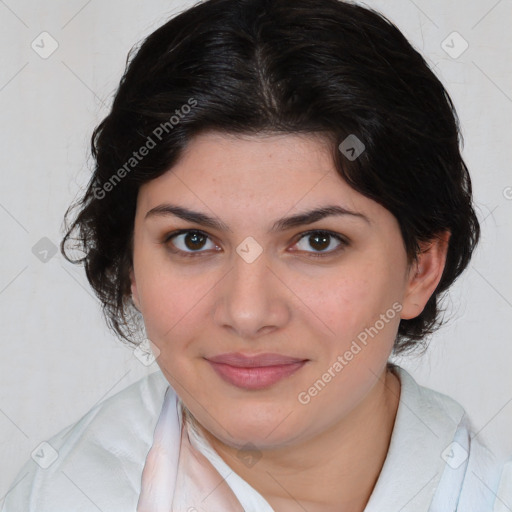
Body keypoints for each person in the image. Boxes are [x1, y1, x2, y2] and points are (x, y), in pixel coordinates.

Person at [3, 0, 511, 510]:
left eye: (318, 241)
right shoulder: (61, 494)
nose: (247, 313)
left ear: (420, 268)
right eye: (193, 240)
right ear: (130, 262)